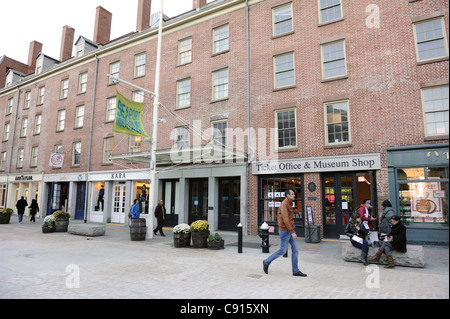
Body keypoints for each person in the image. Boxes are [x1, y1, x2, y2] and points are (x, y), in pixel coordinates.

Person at [263, 189, 307, 277]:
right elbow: (286, 219)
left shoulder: (290, 203)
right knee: (282, 250)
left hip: (290, 229)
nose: (294, 195)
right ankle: (266, 261)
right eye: (292, 194)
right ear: (287, 195)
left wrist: (292, 229)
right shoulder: (284, 204)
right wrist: (292, 232)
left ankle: (295, 271)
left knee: (295, 250)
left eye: (294, 194)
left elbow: (290, 219)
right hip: (285, 231)